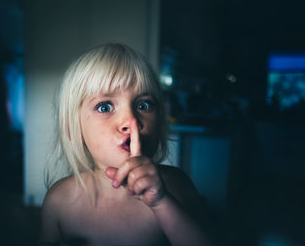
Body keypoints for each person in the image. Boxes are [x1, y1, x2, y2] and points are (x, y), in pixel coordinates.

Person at [40, 44, 215, 245]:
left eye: (143, 105)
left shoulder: (176, 185)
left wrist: (161, 201)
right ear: (73, 128)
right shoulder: (60, 201)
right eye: (105, 107)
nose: (131, 120)